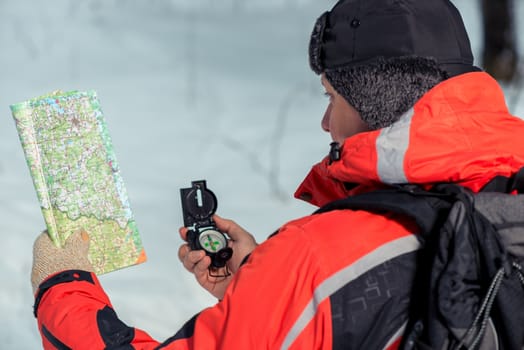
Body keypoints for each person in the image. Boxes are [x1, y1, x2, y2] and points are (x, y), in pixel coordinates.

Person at [30, 0, 524, 349]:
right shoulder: (509, 199)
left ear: (373, 101)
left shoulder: (316, 258)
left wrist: (63, 284)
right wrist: (260, 286)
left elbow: (347, 281)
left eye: (330, 97)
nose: (325, 122)